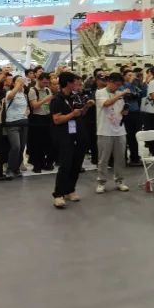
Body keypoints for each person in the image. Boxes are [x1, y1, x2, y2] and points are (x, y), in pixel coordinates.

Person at [51, 72, 93, 209]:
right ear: (68, 83)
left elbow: (80, 114)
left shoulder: (76, 97)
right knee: (66, 165)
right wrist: (71, 114)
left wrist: (86, 107)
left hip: (78, 134)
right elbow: (57, 119)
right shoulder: (57, 99)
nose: (77, 84)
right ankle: (58, 194)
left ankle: (70, 189)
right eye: (75, 82)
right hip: (64, 135)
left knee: (76, 164)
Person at [95, 72, 130, 194]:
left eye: (120, 85)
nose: (118, 87)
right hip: (105, 130)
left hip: (120, 130)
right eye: (116, 84)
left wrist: (124, 111)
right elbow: (106, 104)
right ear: (109, 82)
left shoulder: (119, 94)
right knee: (103, 159)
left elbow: (120, 110)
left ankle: (120, 180)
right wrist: (121, 94)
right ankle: (101, 182)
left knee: (120, 158)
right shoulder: (100, 92)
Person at [1, 75, 30, 178]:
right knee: (16, 146)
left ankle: (16, 168)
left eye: (22, 81)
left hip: (24, 122)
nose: (21, 83)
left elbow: (27, 107)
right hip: (12, 123)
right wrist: (17, 86)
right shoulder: (9, 92)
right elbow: (9, 97)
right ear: (13, 83)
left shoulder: (24, 95)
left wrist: (27, 112)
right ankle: (9, 169)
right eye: (18, 81)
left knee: (22, 147)